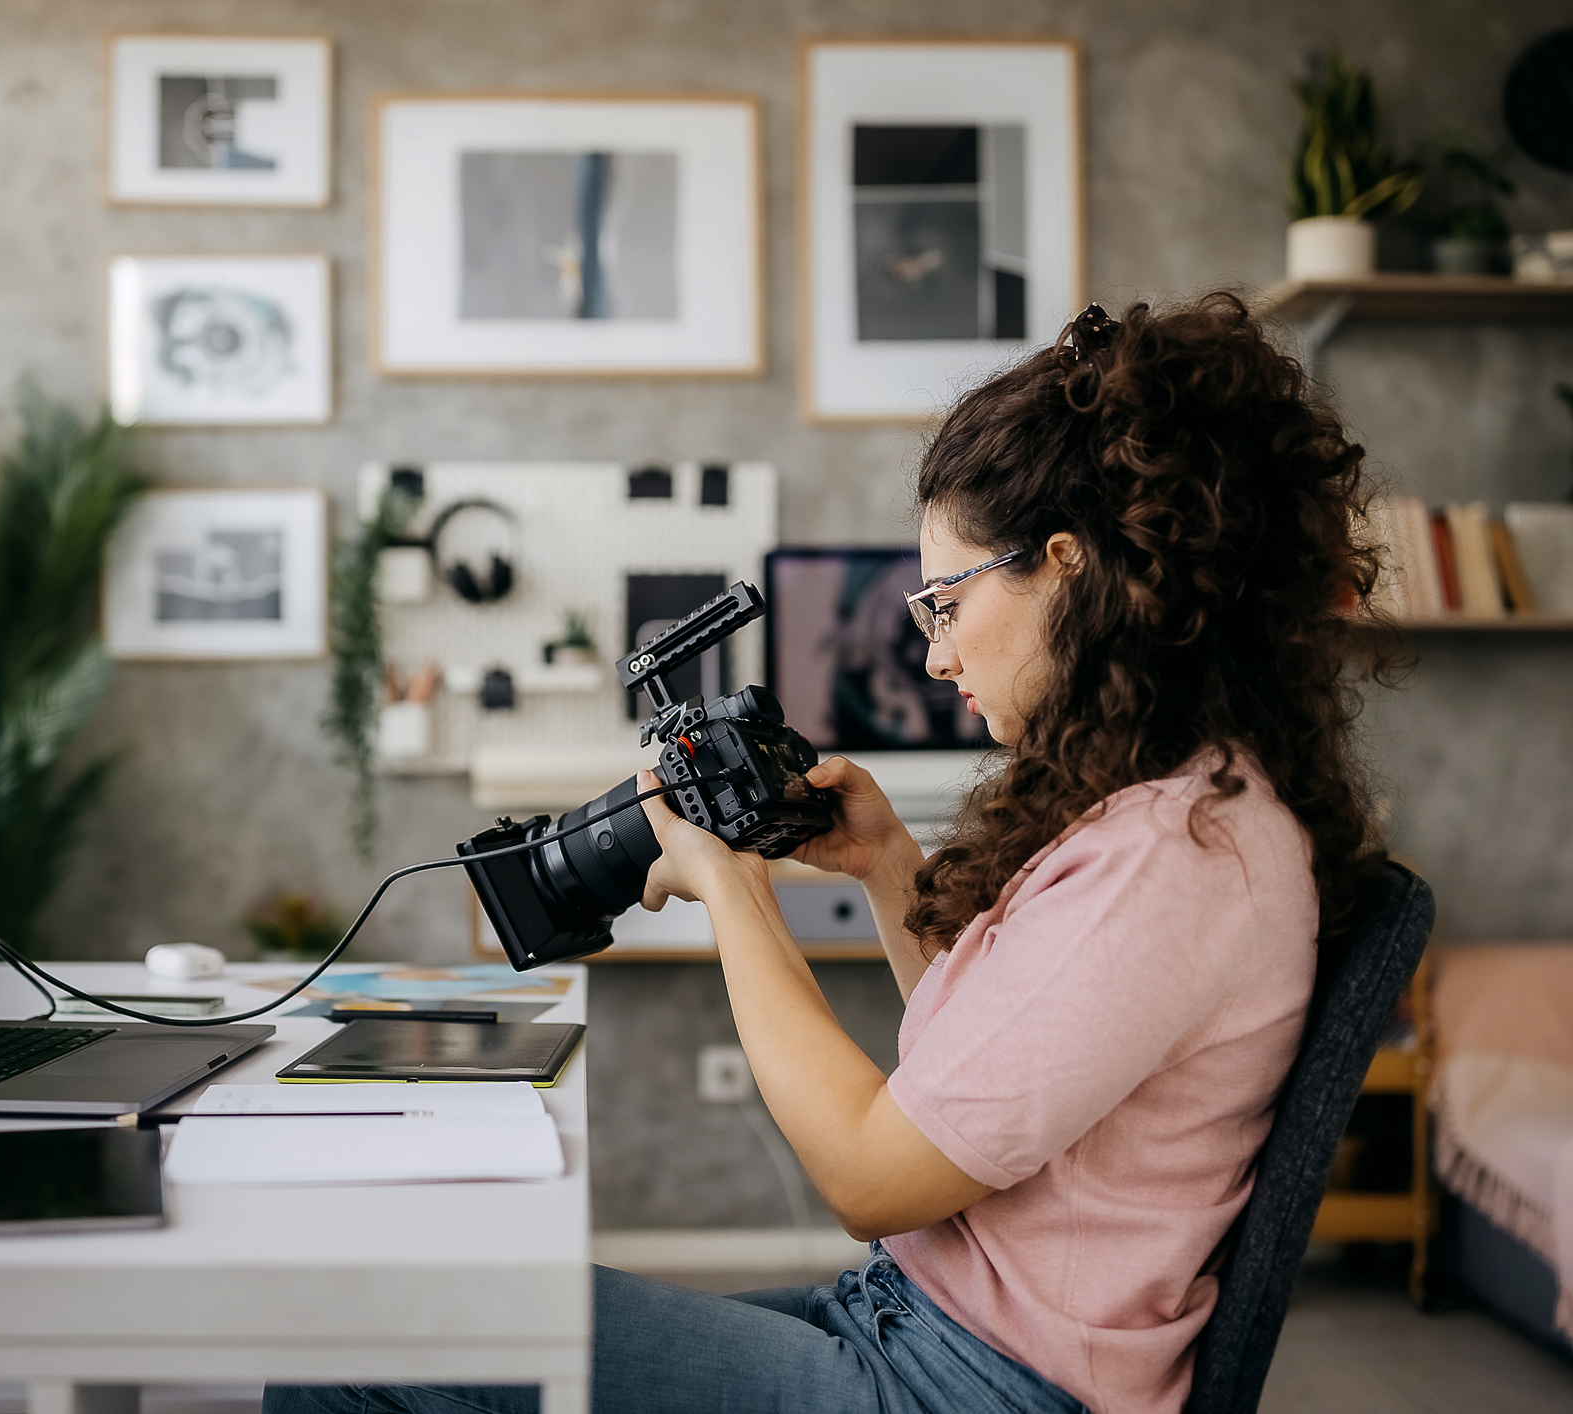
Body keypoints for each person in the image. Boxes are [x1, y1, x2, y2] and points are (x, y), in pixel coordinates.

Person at [264, 293, 1394, 1414]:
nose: (937, 653)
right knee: (424, 1315)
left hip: (965, 1386)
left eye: (945, 603)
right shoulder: (1183, 807)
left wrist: (726, 885)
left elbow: (869, 1177)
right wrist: (886, 865)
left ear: (1064, 564)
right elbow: (975, 1081)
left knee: (370, 1326)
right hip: (924, 1326)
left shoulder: (1167, 855)